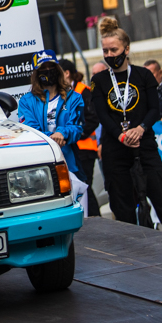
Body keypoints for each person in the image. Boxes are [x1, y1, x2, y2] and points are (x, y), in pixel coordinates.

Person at [91, 18, 162, 238]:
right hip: (115, 150)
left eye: (114, 50)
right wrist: (121, 135)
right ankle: (131, 253)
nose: (109, 55)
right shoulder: (99, 80)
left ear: (126, 49)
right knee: (123, 211)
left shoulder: (143, 75)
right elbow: (102, 115)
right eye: (105, 51)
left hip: (144, 145)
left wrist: (140, 128)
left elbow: (154, 109)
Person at [17, 51, 82, 175]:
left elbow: (77, 127)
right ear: (36, 73)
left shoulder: (74, 98)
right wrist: (53, 138)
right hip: (41, 164)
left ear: (58, 69)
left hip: (69, 162)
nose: (48, 71)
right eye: (43, 68)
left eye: (51, 67)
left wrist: (62, 133)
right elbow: (31, 130)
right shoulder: (26, 101)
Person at [60, 59, 100, 216]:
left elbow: (93, 119)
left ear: (67, 73)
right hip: (72, 149)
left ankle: (94, 218)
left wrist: (76, 134)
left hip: (85, 148)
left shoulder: (83, 91)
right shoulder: (64, 93)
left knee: (84, 186)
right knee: (80, 187)